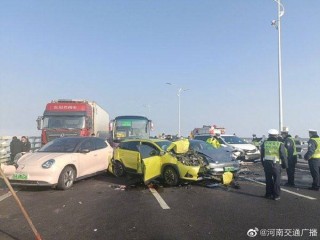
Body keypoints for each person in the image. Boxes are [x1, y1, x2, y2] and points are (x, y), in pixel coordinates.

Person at [260, 129, 287, 200]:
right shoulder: (280, 143)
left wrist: (263, 163)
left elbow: (262, 154)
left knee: (268, 179)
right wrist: (285, 165)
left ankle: (268, 194)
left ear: (269, 135)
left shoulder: (265, 143)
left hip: (267, 163)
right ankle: (276, 195)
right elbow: (283, 155)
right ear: (277, 135)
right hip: (276, 164)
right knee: (276, 180)